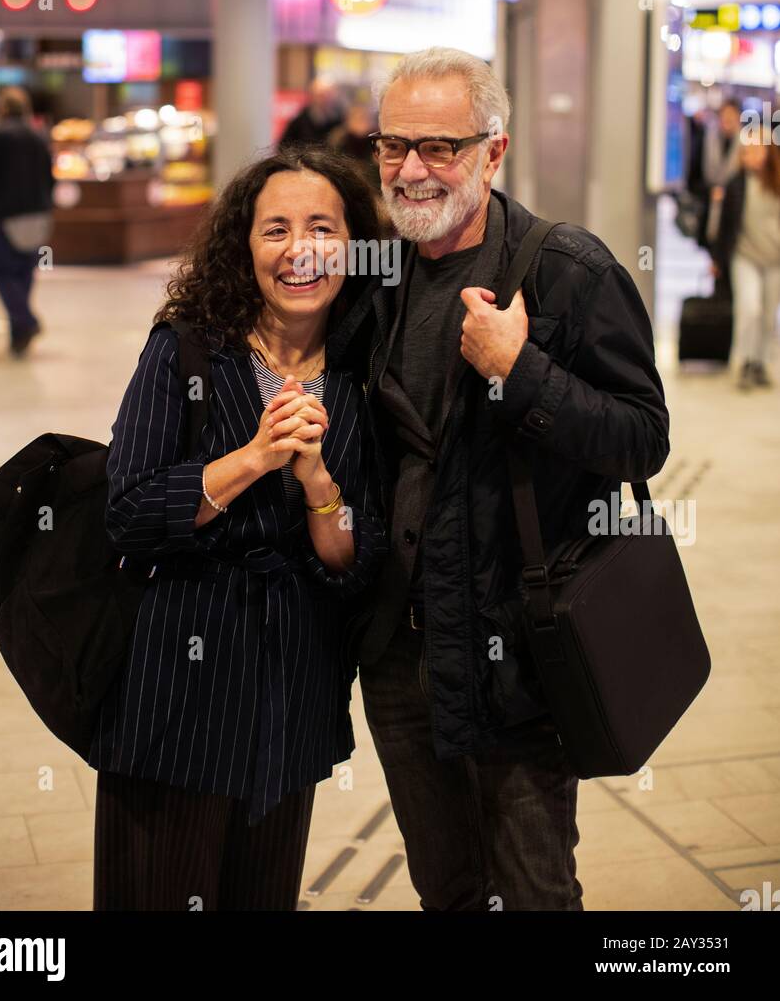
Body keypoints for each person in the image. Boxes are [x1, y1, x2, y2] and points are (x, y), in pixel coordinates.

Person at [335, 46, 670, 911]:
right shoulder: (381, 275)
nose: (411, 169)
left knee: (533, 892)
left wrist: (522, 375)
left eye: (439, 147)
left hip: (515, 656)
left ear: (494, 152)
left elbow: (642, 439)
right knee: (446, 890)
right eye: (394, 145)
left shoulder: (568, 270)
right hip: (401, 658)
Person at [89, 146, 387, 911]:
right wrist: (255, 457)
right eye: (275, 229)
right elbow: (129, 511)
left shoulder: (361, 376)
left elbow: (352, 560)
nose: (299, 250)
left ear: (354, 246)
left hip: (293, 696)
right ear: (244, 246)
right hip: (179, 694)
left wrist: (317, 482)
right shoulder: (188, 349)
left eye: (322, 228)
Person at [0, 87, 54, 356]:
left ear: (3, 108)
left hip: (7, 216)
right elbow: (50, 177)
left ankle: (26, 321)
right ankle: (18, 336)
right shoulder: (39, 136)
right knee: (24, 273)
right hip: (38, 215)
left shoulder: (0, 136)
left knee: (1, 272)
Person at [714, 136, 780, 390]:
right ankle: (742, 362)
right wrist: (718, 258)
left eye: (755, 150)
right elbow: (724, 226)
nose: (749, 155)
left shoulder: (776, 182)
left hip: (774, 258)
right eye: (746, 151)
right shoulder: (736, 184)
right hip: (745, 257)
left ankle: (760, 362)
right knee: (749, 308)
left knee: (767, 314)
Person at [701, 97, 742, 296]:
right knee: (717, 267)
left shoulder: (745, 144)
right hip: (713, 212)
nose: (727, 121)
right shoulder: (709, 139)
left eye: (731, 116)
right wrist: (711, 191)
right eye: (724, 116)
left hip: (735, 217)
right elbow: (697, 175)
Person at [278, 77, 343, 147]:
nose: (325, 99)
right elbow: (283, 146)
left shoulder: (340, 121)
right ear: (312, 96)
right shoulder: (299, 122)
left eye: (328, 95)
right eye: (321, 95)